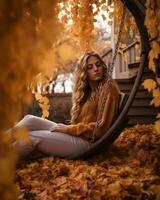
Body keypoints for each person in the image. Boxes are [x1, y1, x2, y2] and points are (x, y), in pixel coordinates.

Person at [10, 51, 121, 159]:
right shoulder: (89, 91)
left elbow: (100, 129)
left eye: (98, 65)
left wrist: (68, 129)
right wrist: (69, 130)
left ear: (103, 66)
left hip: (87, 142)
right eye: (90, 67)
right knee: (30, 120)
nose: (96, 69)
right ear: (84, 72)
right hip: (77, 135)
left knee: (31, 136)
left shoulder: (108, 88)